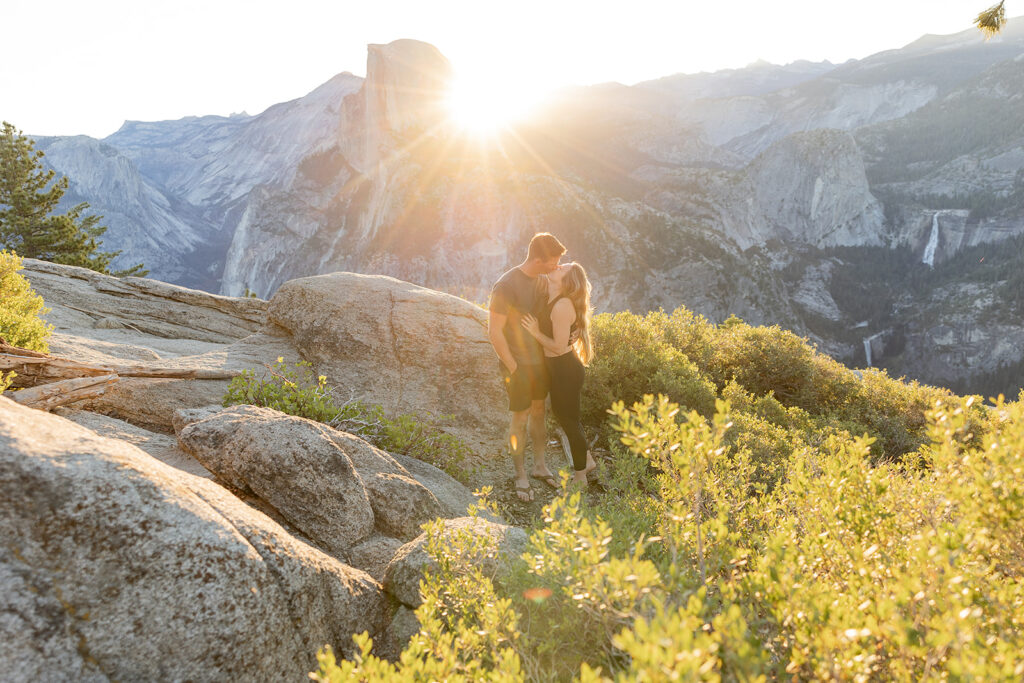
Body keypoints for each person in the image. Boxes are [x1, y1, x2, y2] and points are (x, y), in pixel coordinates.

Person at [488, 233, 566, 501]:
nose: (556, 266)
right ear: (537, 259)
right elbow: (494, 331)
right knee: (519, 418)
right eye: (553, 261)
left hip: (540, 363)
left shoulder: (542, 280)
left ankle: (540, 466)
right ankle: (520, 474)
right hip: (517, 365)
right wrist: (513, 367)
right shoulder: (506, 286)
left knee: (539, 412)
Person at [521, 262, 596, 487]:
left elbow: (556, 346)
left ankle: (581, 476)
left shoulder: (562, 305)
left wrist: (534, 332)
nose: (559, 265)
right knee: (566, 418)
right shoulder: (551, 296)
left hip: (565, 370)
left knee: (570, 422)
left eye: (564, 268)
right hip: (556, 369)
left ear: (567, 281)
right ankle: (589, 461)